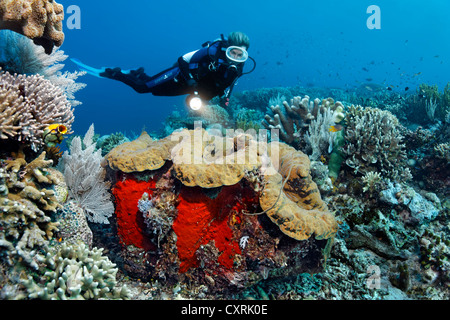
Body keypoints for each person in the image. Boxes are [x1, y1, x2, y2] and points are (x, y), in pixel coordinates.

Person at [72, 32, 254, 108]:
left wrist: (225, 98)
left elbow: (230, 83)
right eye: (233, 52)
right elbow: (183, 59)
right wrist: (190, 79)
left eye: (241, 55)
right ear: (226, 48)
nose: (235, 58)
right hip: (180, 76)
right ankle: (114, 73)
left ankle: (138, 72)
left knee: (154, 91)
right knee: (142, 88)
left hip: (193, 89)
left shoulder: (238, 67)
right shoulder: (211, 52)